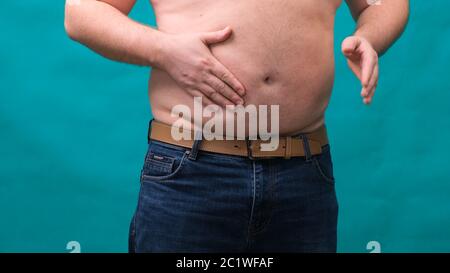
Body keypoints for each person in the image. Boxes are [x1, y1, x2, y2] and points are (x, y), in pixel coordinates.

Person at [64, 0, 409, 252]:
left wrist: (370, 37)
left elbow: (382, 5)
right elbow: (81, 12)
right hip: (190, 174)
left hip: (302, 174)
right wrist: (164, 50)